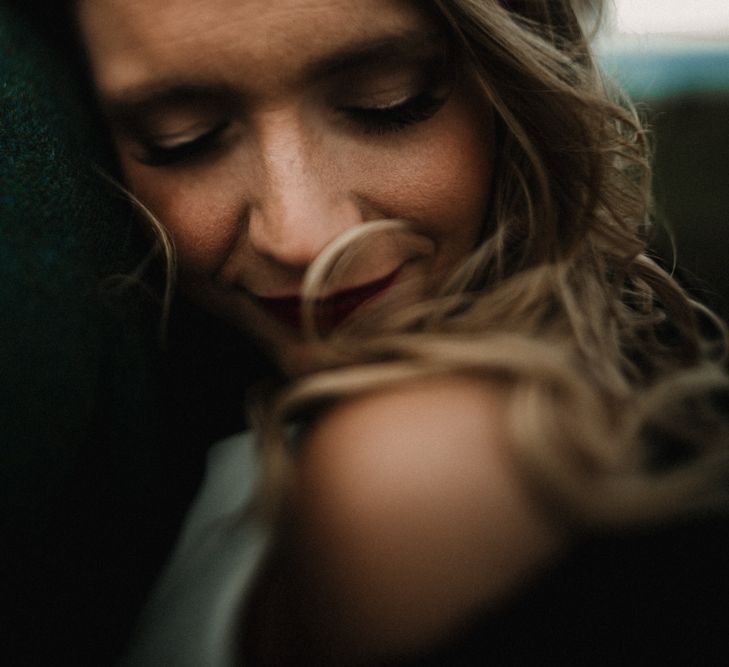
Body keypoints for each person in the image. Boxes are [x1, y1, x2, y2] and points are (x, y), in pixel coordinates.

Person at [47, 0, 729, 663]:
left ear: (511, 81)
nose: (300, 237)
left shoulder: (413, 474)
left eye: (387, 102)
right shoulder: (201, 382)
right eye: (182, 138)